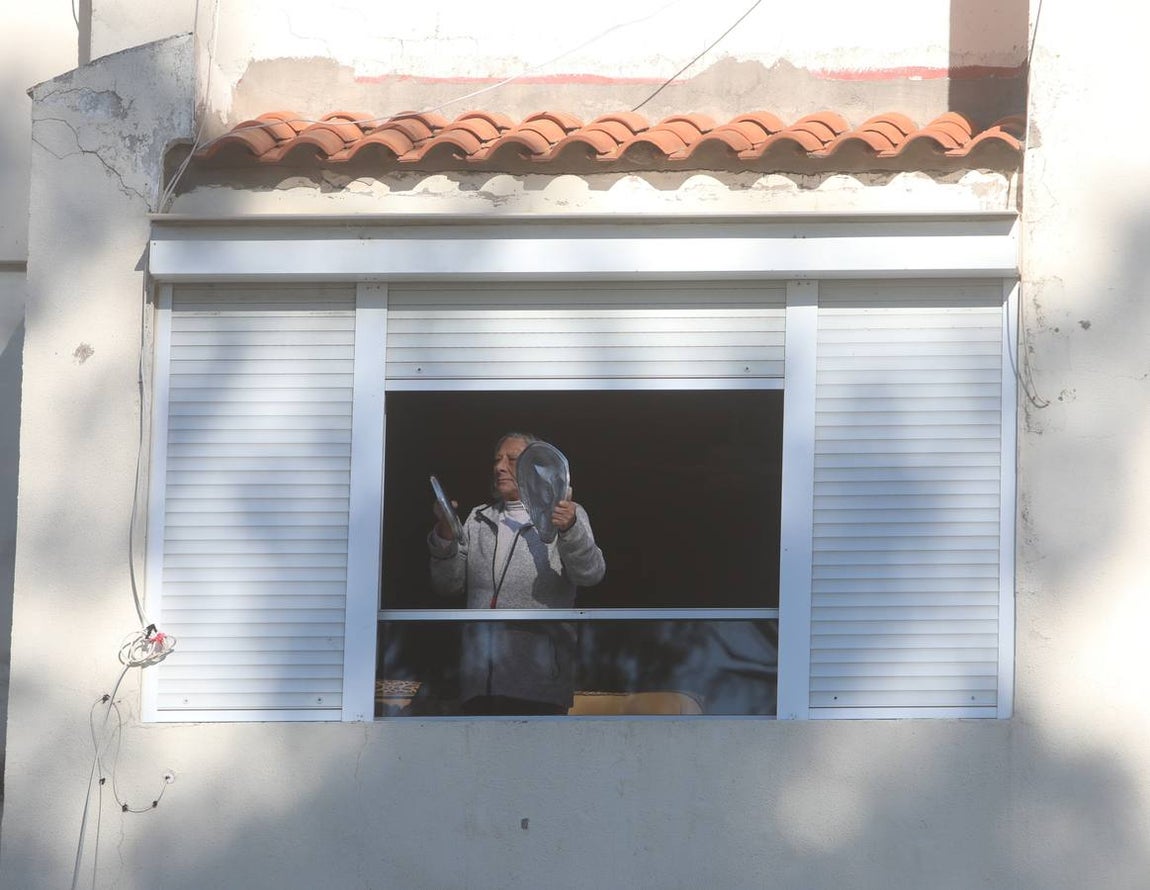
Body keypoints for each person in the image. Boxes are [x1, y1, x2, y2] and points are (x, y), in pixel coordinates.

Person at [428, 432, 606, 715]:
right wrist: (445, 536)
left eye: (511, 460)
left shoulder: (566, 514)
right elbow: (447, 585)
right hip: (479, 680)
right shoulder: (479, 517)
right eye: (497, 460)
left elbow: (591, 574)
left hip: (539, 681)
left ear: (536, 467)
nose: (499, 467)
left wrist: (570, 529)